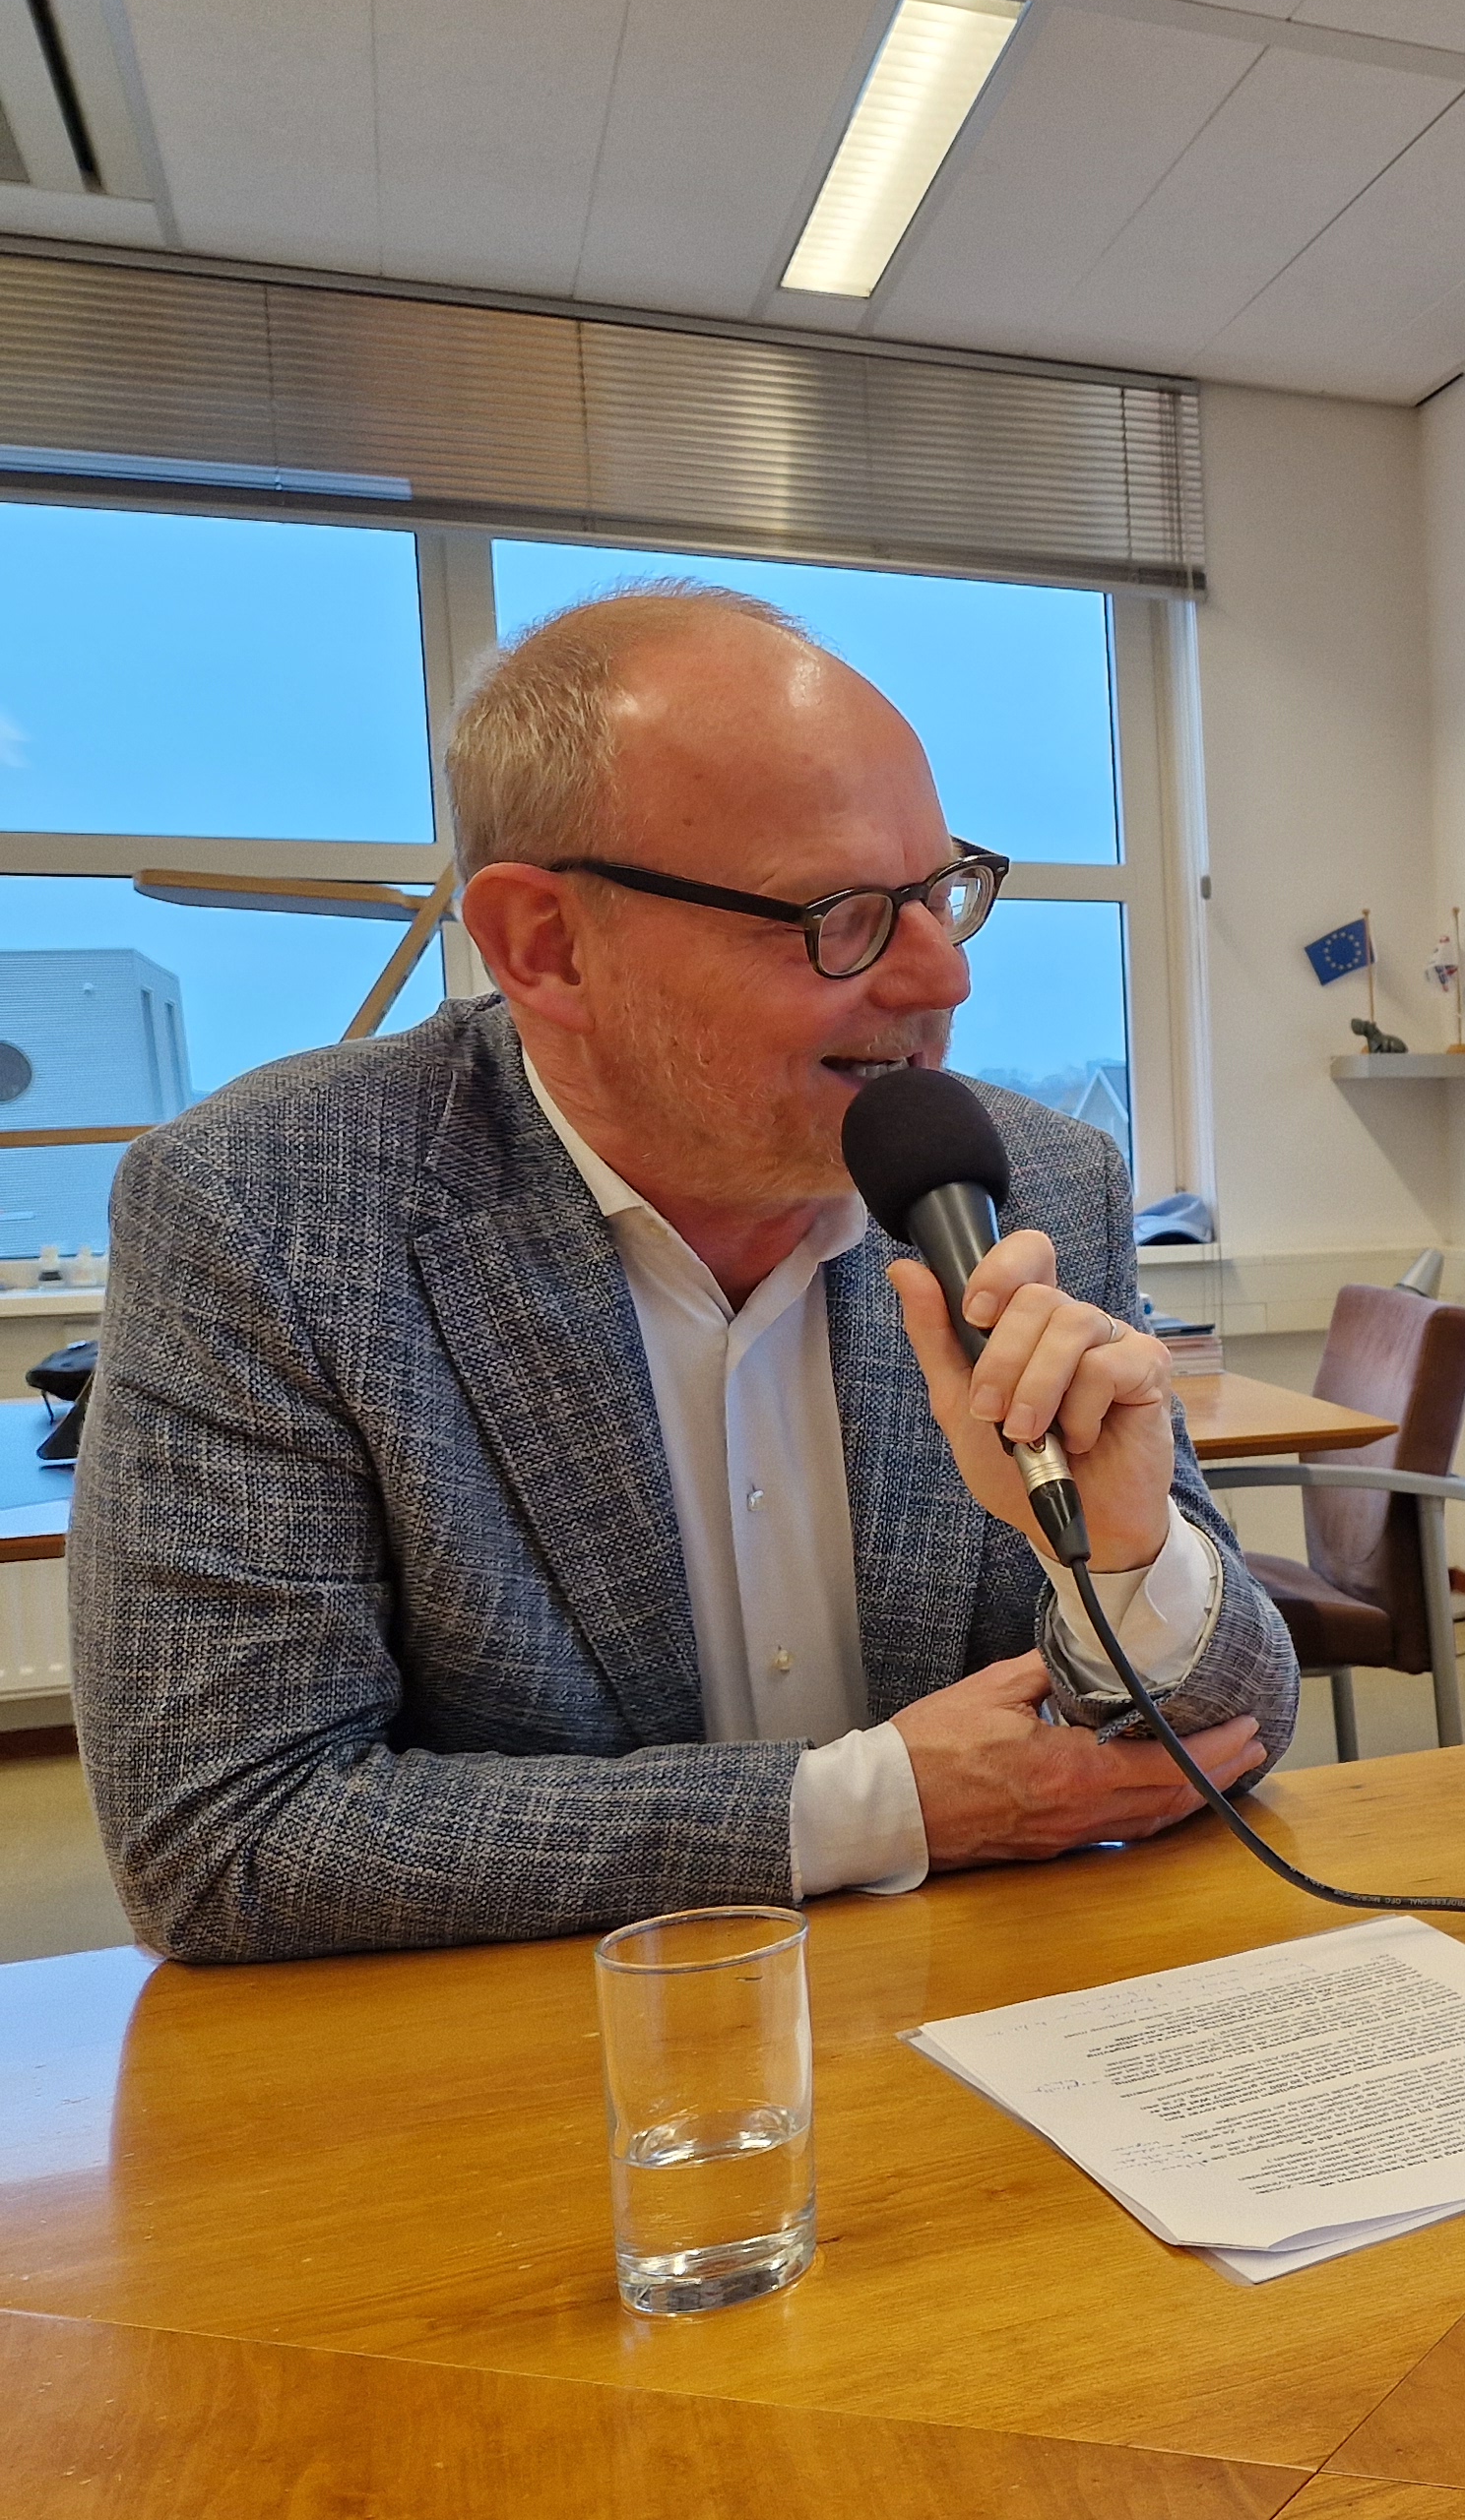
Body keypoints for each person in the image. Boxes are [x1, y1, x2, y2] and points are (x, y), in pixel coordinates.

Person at [76, 585, 1299, 1962]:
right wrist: (876, 1806)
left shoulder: (1035, 1180)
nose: (943, 976)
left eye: (943, 892)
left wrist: (1127, 1558)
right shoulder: (271, 1208)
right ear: (544, 944)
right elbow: (227, 1838)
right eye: (843, 914)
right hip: (541, 2075)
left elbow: (1237, 1725)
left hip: (993, 2025)